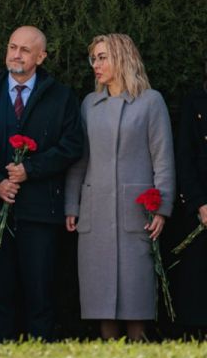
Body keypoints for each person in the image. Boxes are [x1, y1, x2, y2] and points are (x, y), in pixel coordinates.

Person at [0, 26, 83, 341]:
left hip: (40, 211)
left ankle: (40, 355)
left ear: (41, 57)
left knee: (40, 290)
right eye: (12, 47)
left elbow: (72, 145)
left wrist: (30, 169)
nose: (16, 54)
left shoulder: (61, 96)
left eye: (25, 50)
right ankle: (3, 354)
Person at [65, 34, 175, 340]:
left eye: (103, 58)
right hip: (95, 209)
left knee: (135, 288)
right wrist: (71, 205)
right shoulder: (89, 104)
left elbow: (162, 158)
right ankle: (108, 353)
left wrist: (162, 207)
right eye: (94, 59)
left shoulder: (151, 102)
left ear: (122, 58)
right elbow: (79, 160)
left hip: (136, 210)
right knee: (99, 290)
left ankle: (139, 349)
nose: (96, 65)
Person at [172, 63, 207, 333]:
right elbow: (185, 157)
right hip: (202, 208)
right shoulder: (195, 103)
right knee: (198, 277)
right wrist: (199, 203)